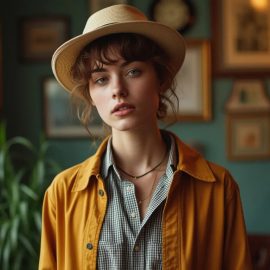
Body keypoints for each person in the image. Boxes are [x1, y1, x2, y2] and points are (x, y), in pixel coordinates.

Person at [39, 4, 252, 270]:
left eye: (133, 72)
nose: (118, 89)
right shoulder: (63, 193)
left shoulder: (218, 188)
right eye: (102, 79)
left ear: (160, 79)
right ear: (90, 95)